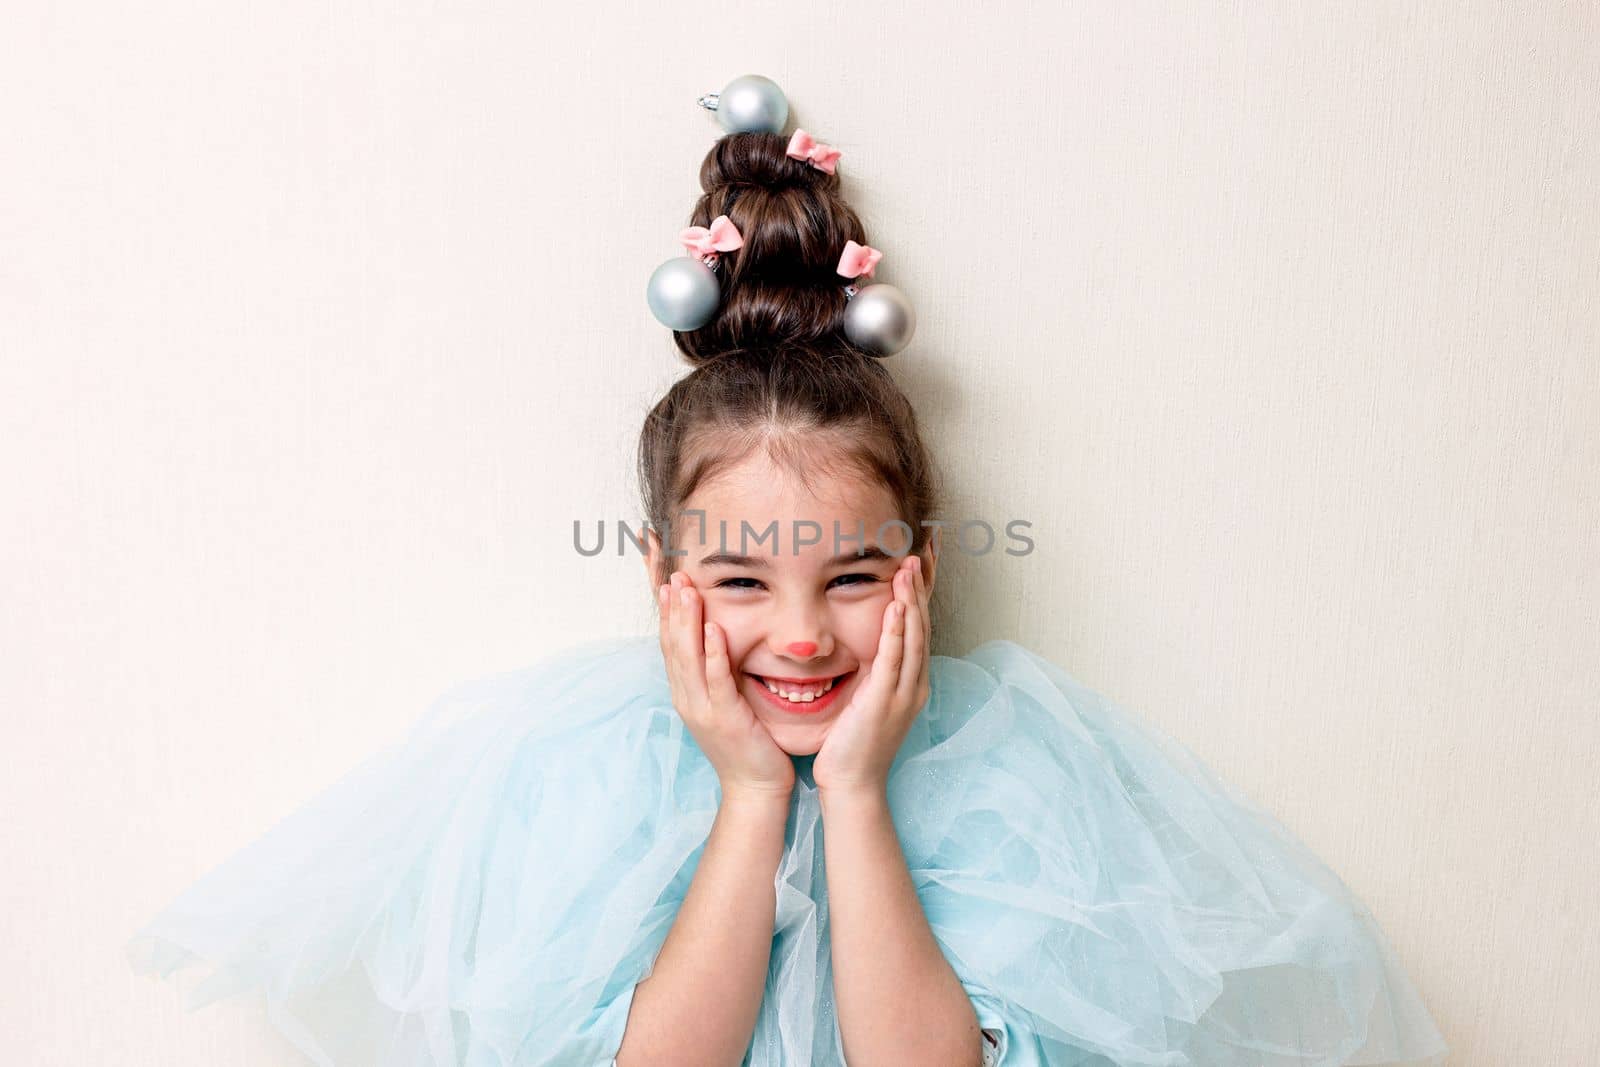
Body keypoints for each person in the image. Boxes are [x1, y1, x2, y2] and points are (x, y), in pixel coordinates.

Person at [128, 87, 1450, 1067]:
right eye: (742, 583)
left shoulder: (1018, 785)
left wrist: (859, 793)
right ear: (663, 581)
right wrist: (755, 793)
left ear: (923, 568)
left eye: (857, 575)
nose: (806, 639)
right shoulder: (571, 782)